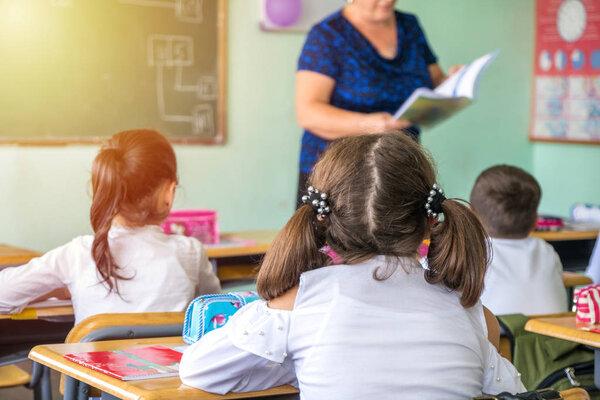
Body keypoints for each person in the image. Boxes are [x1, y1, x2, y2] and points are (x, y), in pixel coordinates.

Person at [179, 133, 525, 399]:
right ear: (428, 220)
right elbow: (513, 392)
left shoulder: (298, 307)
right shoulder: (474, 316)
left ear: (323, 220)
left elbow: (198, 369)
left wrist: (292, 365)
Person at [0, 129, 221, 324]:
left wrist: (52, 289)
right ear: (168, 192)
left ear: (105, 189)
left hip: (91, 372)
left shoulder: (78, 254)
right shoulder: (190, 252)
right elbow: (217, 311)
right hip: (171, 371)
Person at [295, 0, 461, 204]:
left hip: (399, 166)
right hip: (339, 177)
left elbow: (433, 80)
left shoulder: (410, 26)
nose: (387, 1)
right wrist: (368, 125)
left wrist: (452, 83)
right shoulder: (326, 36)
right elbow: (308, 112)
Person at [470, 165, 567, 315]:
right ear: (535, 221)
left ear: (470, 217)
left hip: (498, 337)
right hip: (552, 336)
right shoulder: (547, 251)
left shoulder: (474, 253)